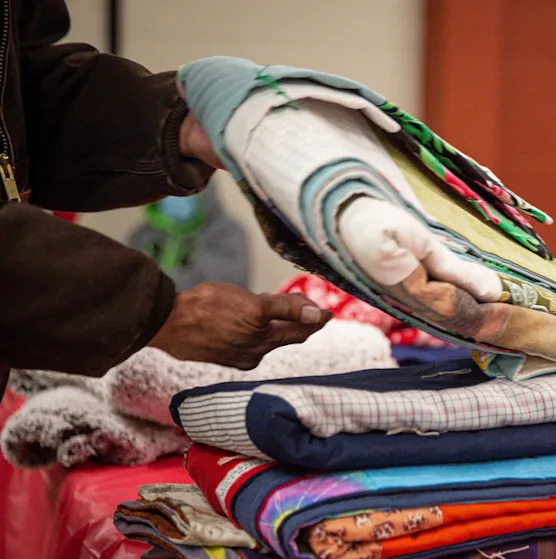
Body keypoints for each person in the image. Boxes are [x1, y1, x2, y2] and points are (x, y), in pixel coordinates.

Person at [0, 0, 330, 399]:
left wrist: (179, 125)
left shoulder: (229, 233)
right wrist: (157, 313)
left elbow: (23, 85)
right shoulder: (145, 235)